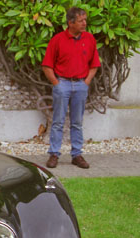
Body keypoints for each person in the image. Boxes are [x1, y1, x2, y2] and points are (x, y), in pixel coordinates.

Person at [42, 7, 100, 169]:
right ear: (70, 23)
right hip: (62, 84)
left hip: (81, 85)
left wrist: (86, 82)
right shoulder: (57, 40)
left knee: (77, 122)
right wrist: (57, 84)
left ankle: (77, 155)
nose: (84, 23)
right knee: (58, 121)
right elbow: (47, 65)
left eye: (85, 20)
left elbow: (94, 64)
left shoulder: (89, 39)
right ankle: (54, 154)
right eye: (81, 21)